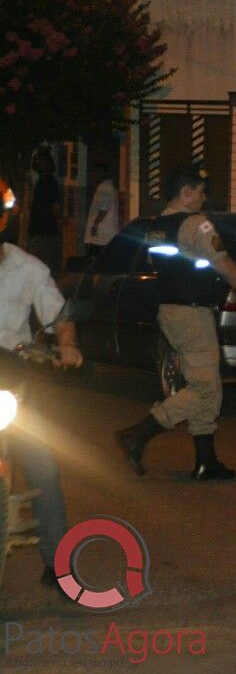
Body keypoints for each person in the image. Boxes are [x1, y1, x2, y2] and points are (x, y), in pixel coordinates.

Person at [115, 165, 236, 480]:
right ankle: (139, 433)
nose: (204, 199)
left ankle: (206, 460)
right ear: (186, 193)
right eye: (200, 192)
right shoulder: (195, 225)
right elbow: (225, 265)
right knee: (205, 389)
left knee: (204, 385)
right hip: (192, 313)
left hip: (171, 311)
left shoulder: (158, 226)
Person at [0, 214, 83, 593]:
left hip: (12, 376)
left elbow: (58, 315)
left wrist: (66, 343)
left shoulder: (29, 268)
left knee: (43, 467)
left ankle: (57, 566)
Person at [27, 147, 64, 274]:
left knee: (47, 268)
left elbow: (56, 207)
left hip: (47, 232)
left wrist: (58, 222)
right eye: (37, 161)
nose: (39, 164)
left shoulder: (50, 183)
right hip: (40, 231)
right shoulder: (40, 182)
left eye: (42, 161)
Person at [84, 161, 120, 257]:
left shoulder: (105, 188)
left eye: (96, 172)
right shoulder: (110, 187)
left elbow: (103, 209)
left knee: (96, 260)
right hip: (106, 234)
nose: (94, 175)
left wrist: (95, 225)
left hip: (102, 235)